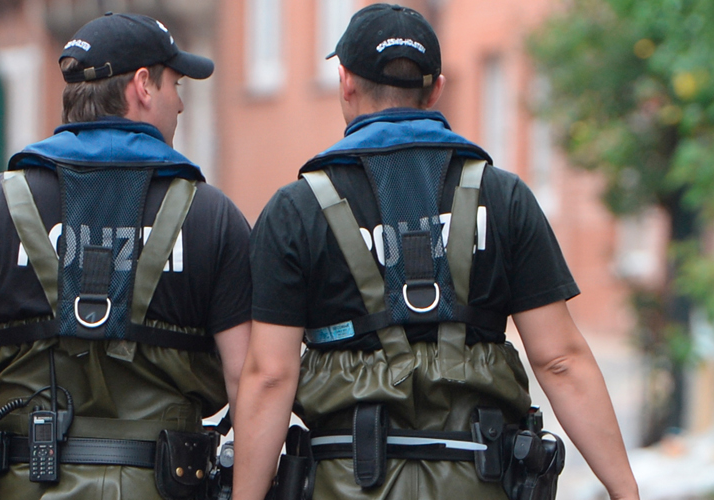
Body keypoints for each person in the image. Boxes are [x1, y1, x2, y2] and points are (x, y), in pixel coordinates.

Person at [233, 4, 639, 500]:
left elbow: (271, 375)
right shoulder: (504, 196)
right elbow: (560, 361)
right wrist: (625, 491)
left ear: (345, 82)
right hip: (479, 480)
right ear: (437, 89)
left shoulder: (296, 209)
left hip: (344, 481)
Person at [0, 12, 251, 500]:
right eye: (175, 85)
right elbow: (250, 376)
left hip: (24, 482)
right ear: (143, 86)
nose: (180, 104)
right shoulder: (211, 217)